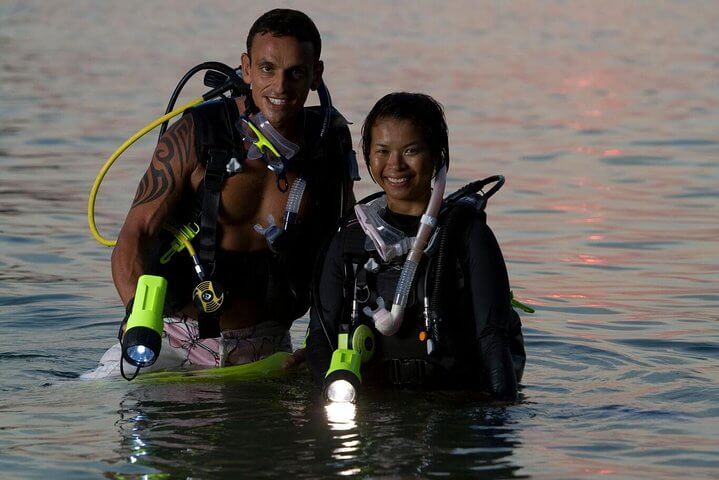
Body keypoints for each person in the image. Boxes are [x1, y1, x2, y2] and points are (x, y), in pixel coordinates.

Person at [85, 9, 356, 378]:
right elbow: (136, 233)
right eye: (267, 69)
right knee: (102, 398)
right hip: (170, 342)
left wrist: (320, 342)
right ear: (246, 68)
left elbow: (342, 251)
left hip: (269, 350)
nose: (280, 87)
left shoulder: (328, 142)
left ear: (316, 74)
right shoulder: (197, 132)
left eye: (295, 72)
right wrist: (139, 316)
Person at [306, 92, 525, 401]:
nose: (395, 164)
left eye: (411, 150)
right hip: (370, 404)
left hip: (453, 405)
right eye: (382, 150)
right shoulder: (349, 239)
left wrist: (499, 419)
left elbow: (493, 338)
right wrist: (335, 387)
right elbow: (319, 338)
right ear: (367, 154)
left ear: (437, 156)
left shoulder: (466, 236)